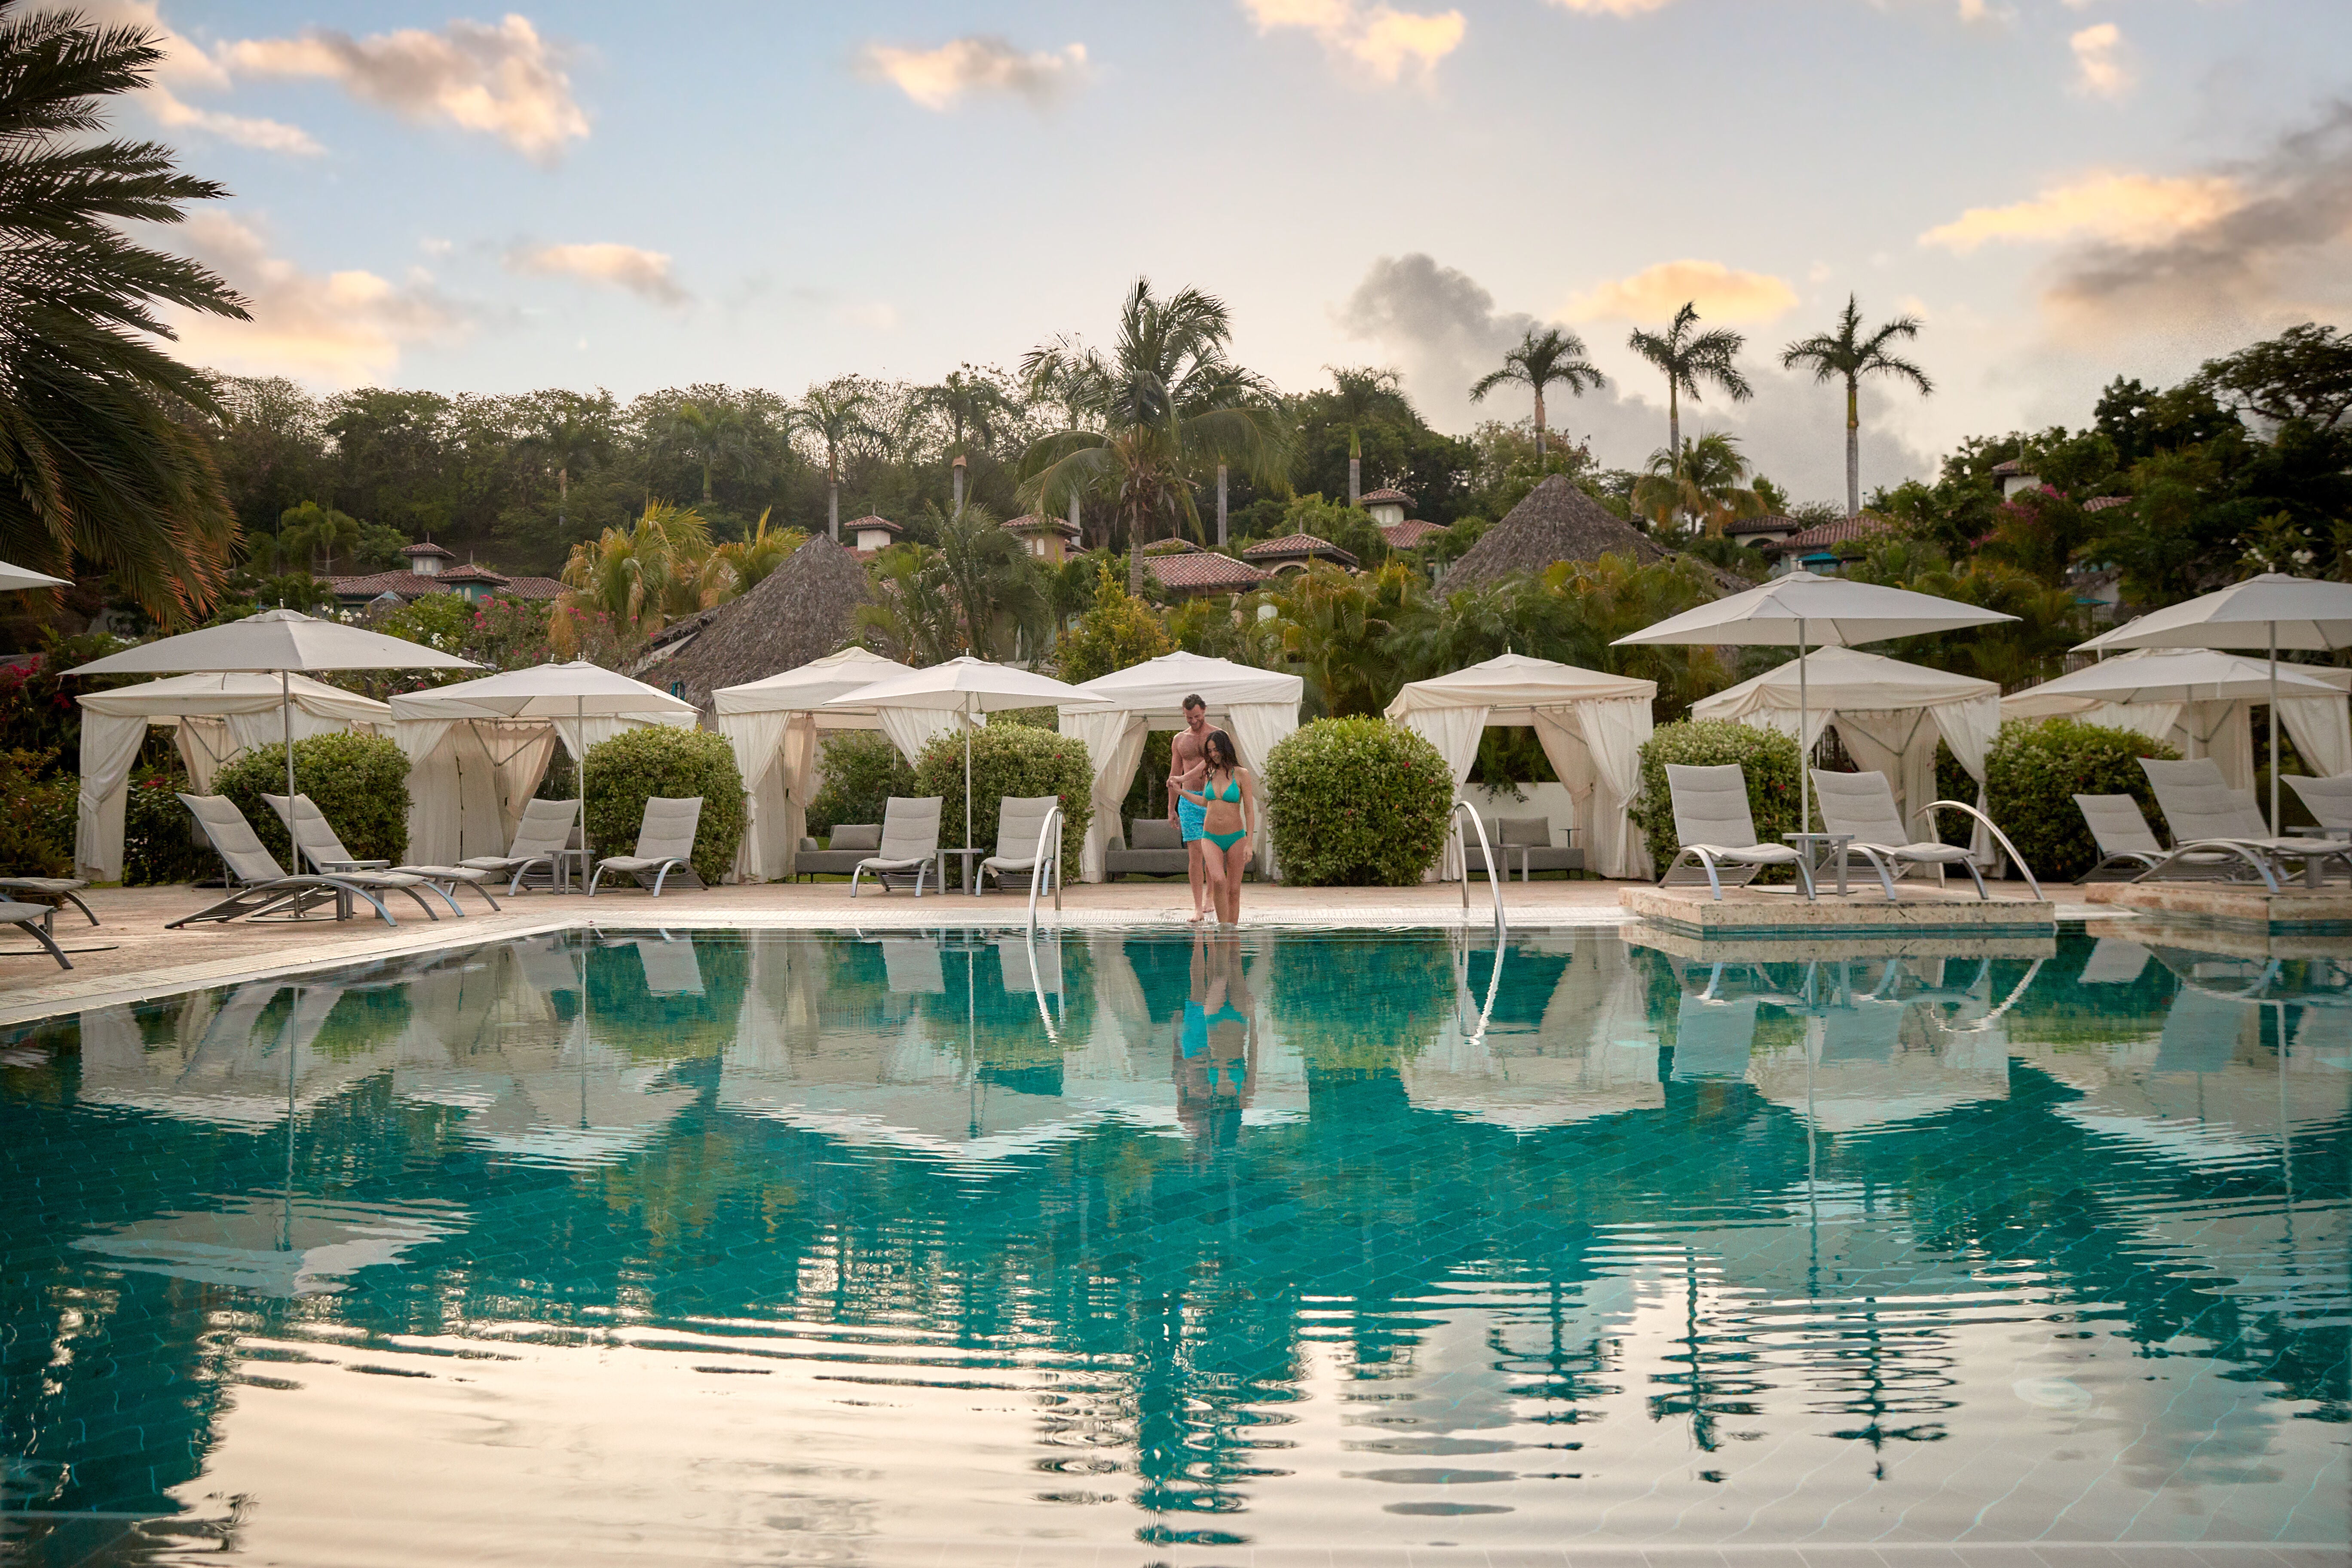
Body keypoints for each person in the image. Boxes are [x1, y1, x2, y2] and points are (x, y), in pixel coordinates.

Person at [1176, 729, 1257, 926]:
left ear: (1225, 748)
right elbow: (1205, 801)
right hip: (1210, 836)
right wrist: (1181, 792)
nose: (1213, 754)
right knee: (1219, 880)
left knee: (1234, 890)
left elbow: (1249, 812)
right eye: (1210, 751)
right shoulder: (1209, 772)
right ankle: (1224, 929)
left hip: (1236, 837)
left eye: (1216, 750)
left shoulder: (1242, 775)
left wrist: (1249, 843)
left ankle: (1232, 933)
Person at [1167, 695, 1226, 924]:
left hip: (1213, 800)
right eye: (1189, 717)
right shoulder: (1179, 740)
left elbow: (1213, 763)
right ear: (1184, 714)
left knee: (1213, 854)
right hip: (1189, 801)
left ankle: (1211, 897)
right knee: (1195, 856)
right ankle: (1197, 907)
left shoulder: (1218, 736)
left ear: (1205, 711)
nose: (1193, 721)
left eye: (1198, 717)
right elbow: (1174, 775)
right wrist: (1172, 808)